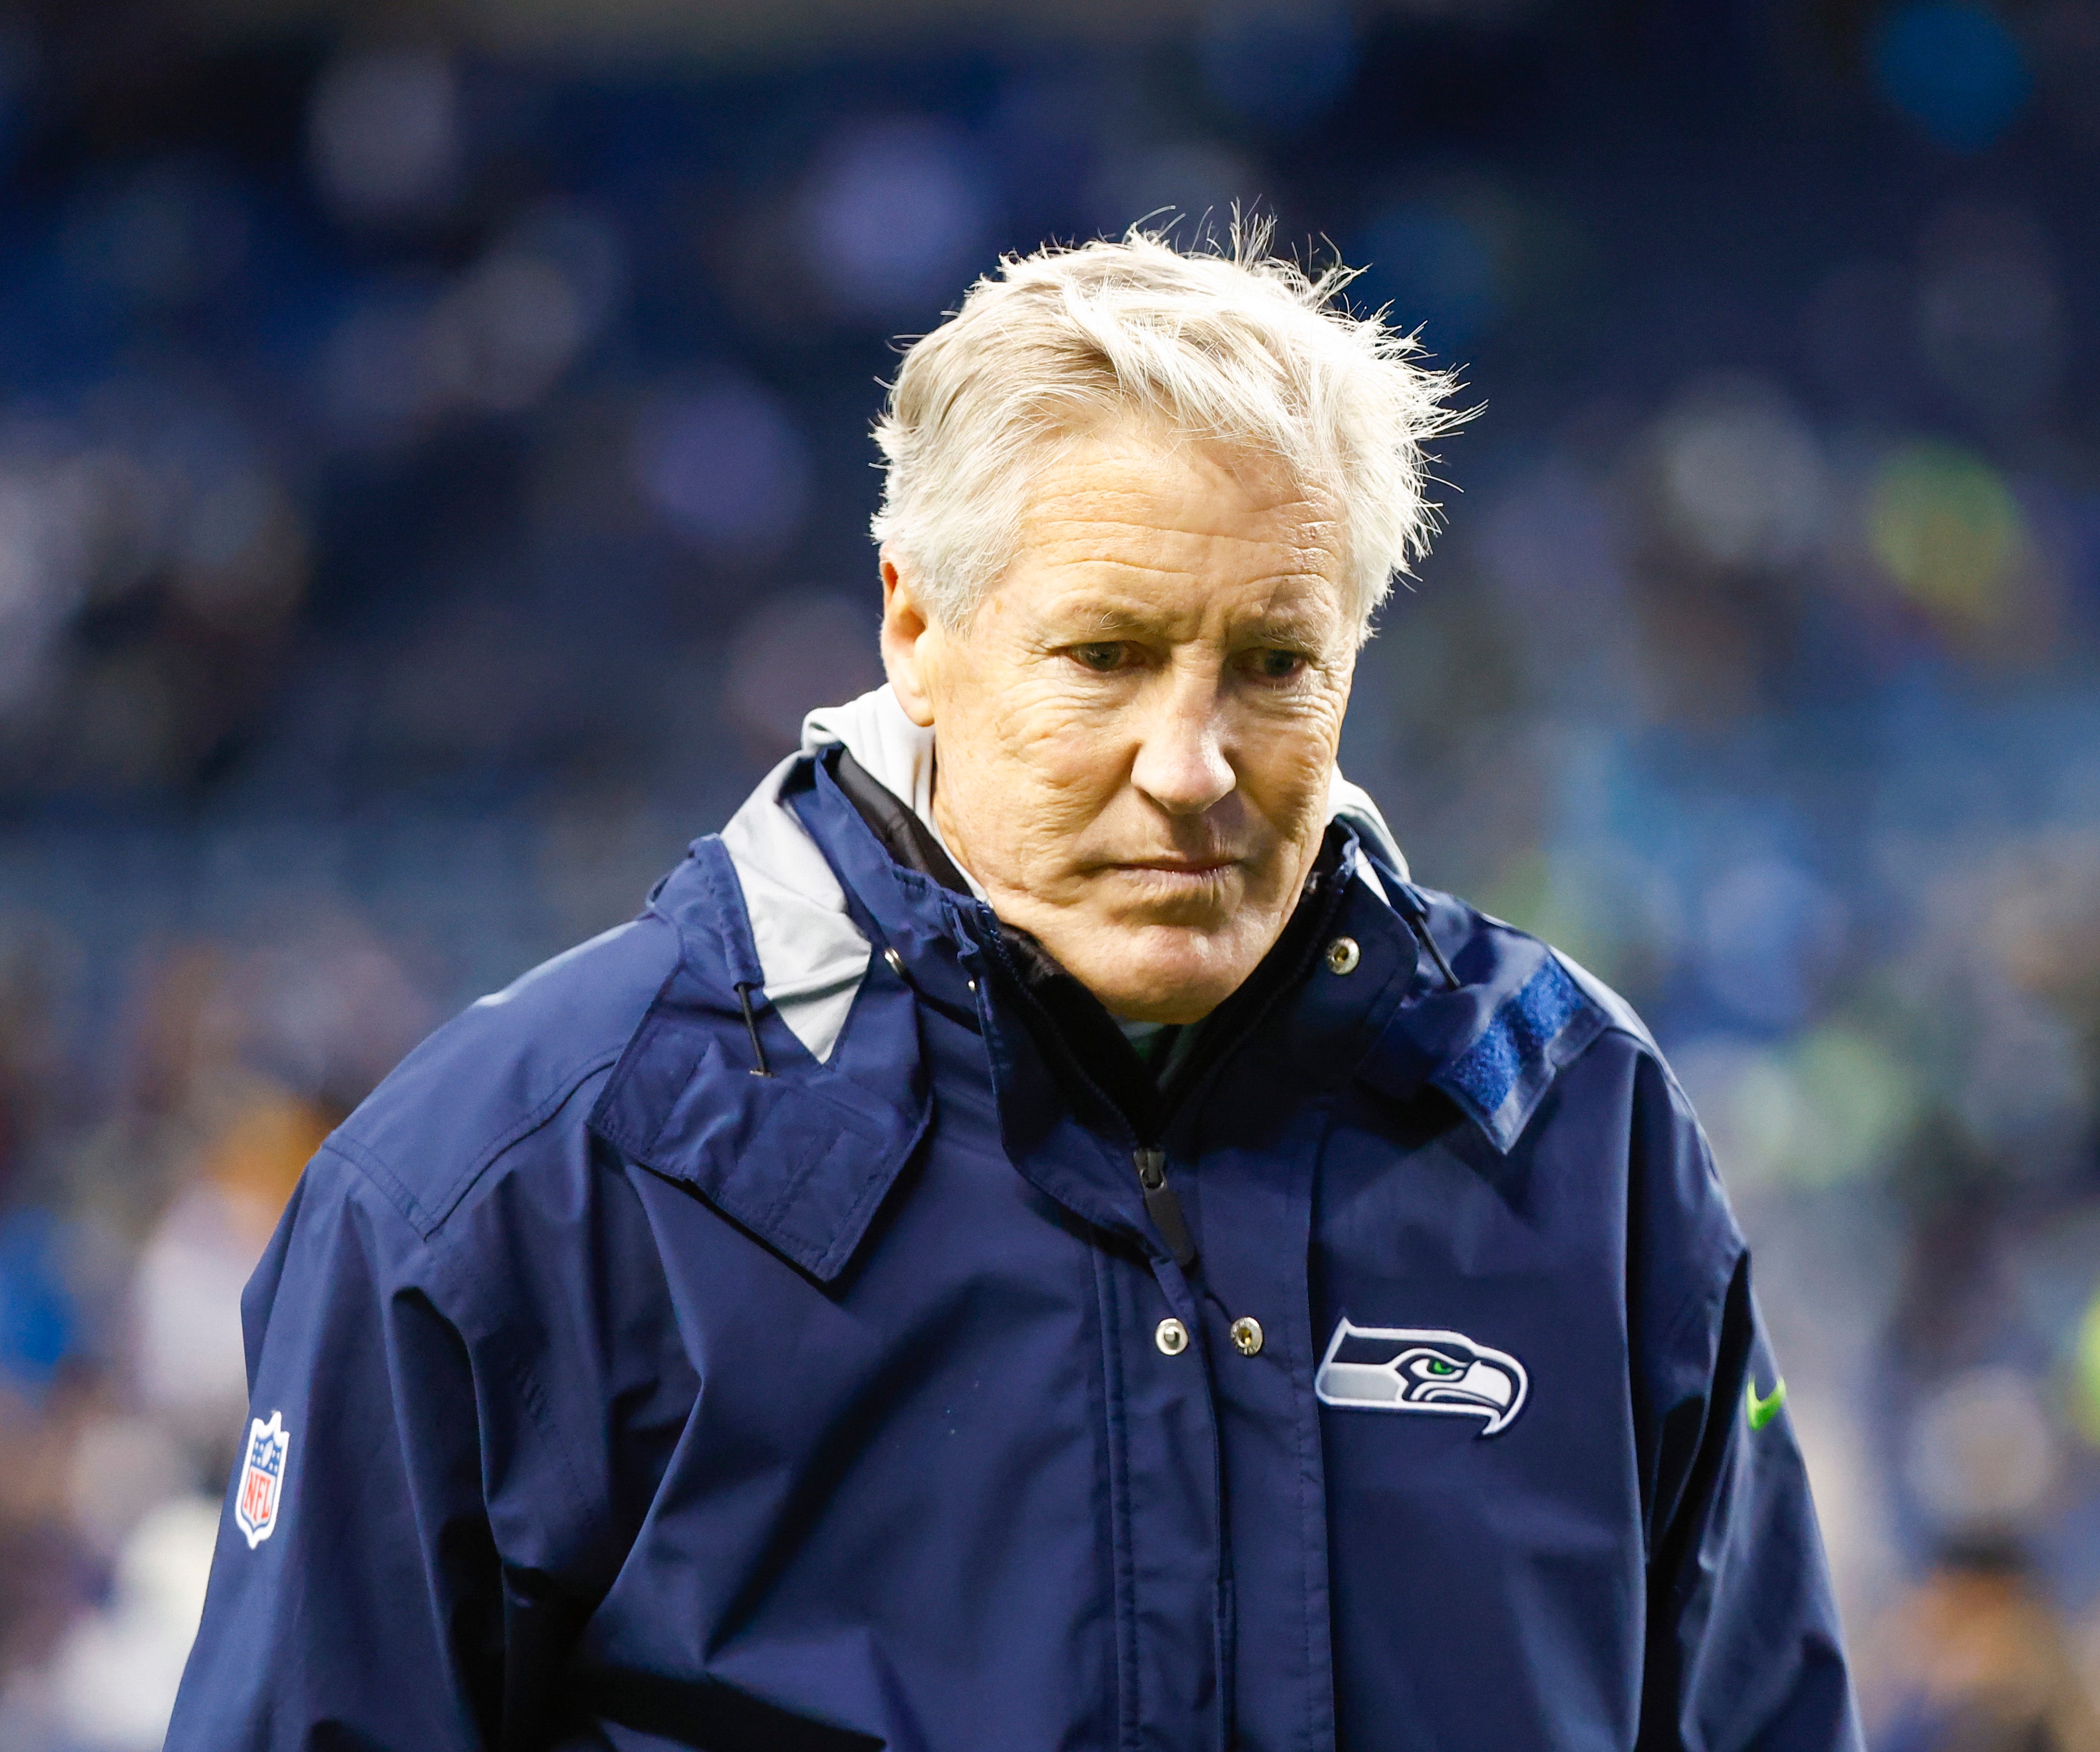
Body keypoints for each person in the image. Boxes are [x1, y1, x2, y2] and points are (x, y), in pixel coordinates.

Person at [167, 229, 1860, 1752]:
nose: (1191, 764)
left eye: (1274, 664)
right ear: (916, 622)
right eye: (1105, 656)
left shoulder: (1573, 1126)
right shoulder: (511, 1191)